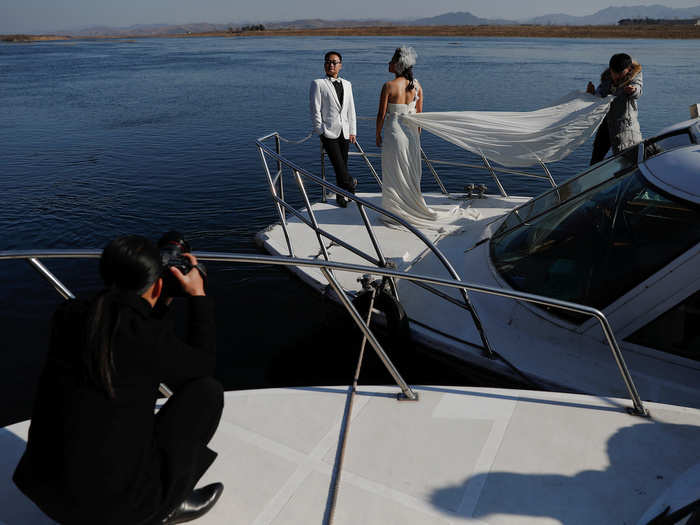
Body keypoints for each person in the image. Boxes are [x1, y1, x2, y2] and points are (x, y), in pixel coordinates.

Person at [13, 235, 224, 525]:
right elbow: (202, 367)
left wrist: (160, 302)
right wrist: (198, 297)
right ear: (158, 283)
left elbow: (130, 342)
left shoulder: (68, 315)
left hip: (47, 494)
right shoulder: (147, 338)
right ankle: (163, 507)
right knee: (207, 392)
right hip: (116, 512)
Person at [375, 46, 460, 229]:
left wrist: (377, 134)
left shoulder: (388, 86)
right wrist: (416, 135)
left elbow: (381, 115)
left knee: (394, 169)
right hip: (411, 132)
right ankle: (410, 204)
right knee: (408, 169)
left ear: (397, 65)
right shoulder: (417, 86)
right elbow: (419, 114)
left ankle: (395, 210)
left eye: (390, 61)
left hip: (394, 131)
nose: (388, 64)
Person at [310, 50, 358, 208]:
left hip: (345, 131)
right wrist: (320, 131)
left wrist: (353, 131)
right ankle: (350, 184)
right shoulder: (318, 84)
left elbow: (351, 109)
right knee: (338, 164)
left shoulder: (348, 84)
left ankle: (341, 196)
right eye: (328, 62)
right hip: (328, 132)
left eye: (334, 62)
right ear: (324, 65)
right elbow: (315, 109)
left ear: (340, 65)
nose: (331, 64)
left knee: (343, 164)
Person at [586, 53, 643, 165]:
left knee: (627, 160)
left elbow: (638, 90)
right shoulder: (607, 78)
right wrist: (592, 93)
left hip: (625, 126)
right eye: (614, 73)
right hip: (606, 123)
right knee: (596, 159)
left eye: (620, 73)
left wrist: (633, 90)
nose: (616, 76)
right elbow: (600, 95)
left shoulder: (634, 77)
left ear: (628, 69)